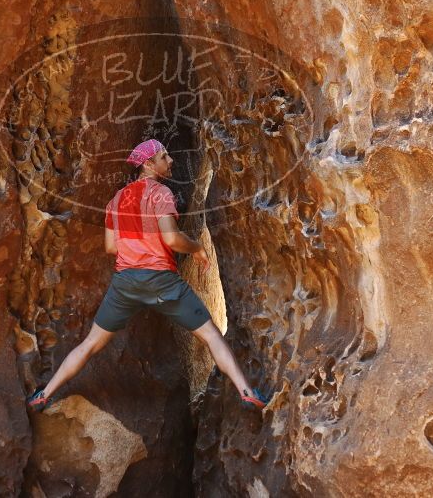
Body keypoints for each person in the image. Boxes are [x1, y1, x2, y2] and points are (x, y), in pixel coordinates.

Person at [26, 139, 269, 412]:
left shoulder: (116, 200)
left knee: (91, 344)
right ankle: (247, 392)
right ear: (149, 164)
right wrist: (198, 248)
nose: (171, 161)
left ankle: (43, 394)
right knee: (212, 335)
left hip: (126, 283)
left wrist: (135, 247)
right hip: (161, 280)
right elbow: (172, 240)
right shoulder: (161, 194)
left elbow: (110, 247)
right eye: (165, 156)